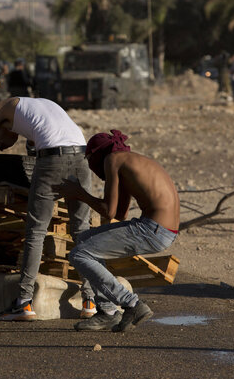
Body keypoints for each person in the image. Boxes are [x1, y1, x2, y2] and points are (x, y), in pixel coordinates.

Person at [0, 96, 95, 321]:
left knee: (36, 232)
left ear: (3, 123)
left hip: (52, 160)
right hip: (81, 157)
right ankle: (90, 301)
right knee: (82, 230)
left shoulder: (0, 107)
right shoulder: (41, 105)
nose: (0, 146)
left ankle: (24, 302)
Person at [55, 130, 179, 332]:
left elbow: (109, 210)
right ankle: (108, 312)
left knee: (80, 254)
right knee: (85, 238)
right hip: (162, 229)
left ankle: (132, 304)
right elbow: (120, 213)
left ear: (96, 155)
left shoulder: (112, 159)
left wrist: (79, 193)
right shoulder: (130, 161)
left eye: (90, 161)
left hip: (152, 230)